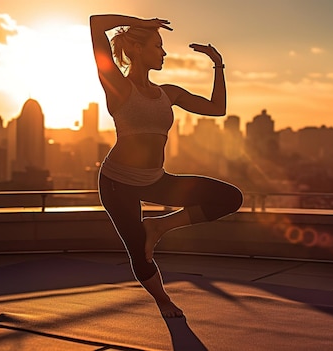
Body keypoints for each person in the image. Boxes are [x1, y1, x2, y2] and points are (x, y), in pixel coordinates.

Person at [90, 14, 243, 318]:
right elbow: (96, 24)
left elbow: (217, 108)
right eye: (157, 46)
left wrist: (218, 64)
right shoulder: (118, 88)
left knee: (230, 198)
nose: (164, 53)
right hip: (117, 183)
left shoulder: (168, 93)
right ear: (135, 49)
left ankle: (159, 225)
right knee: (139, 251)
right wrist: (144, 22)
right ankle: (163, 300)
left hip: (155, 180)